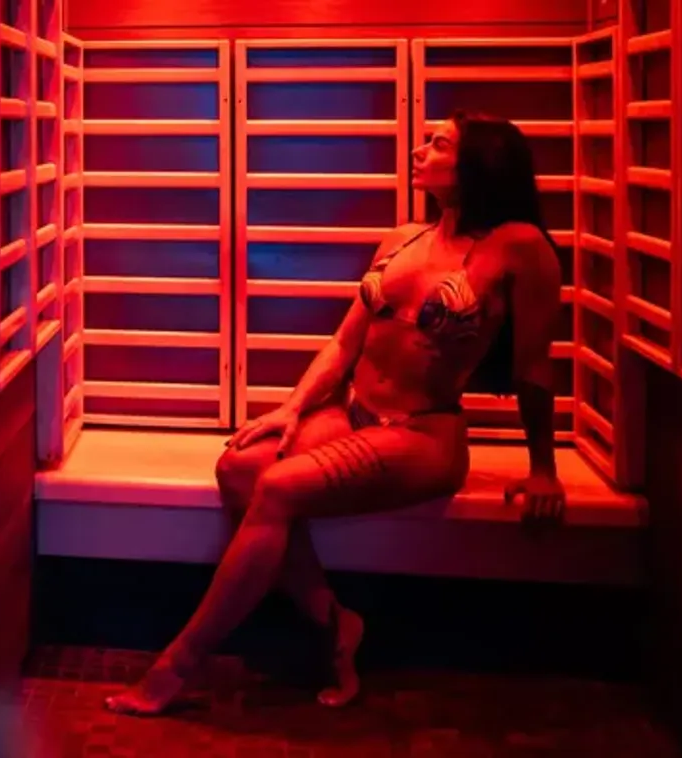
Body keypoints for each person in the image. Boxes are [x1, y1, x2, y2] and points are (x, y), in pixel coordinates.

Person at [104, 109, 570, 716]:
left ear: (478, 163)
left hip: (421, 433)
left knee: (277, 488)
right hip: (353, 413)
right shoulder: (403, 239)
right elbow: (346, 342)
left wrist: (543, 469)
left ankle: (176, 666)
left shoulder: (519, 248)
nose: (420, 151)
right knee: (238, 468)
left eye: (438, 144)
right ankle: (334, 622)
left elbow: (534, 367)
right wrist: (292, 409)